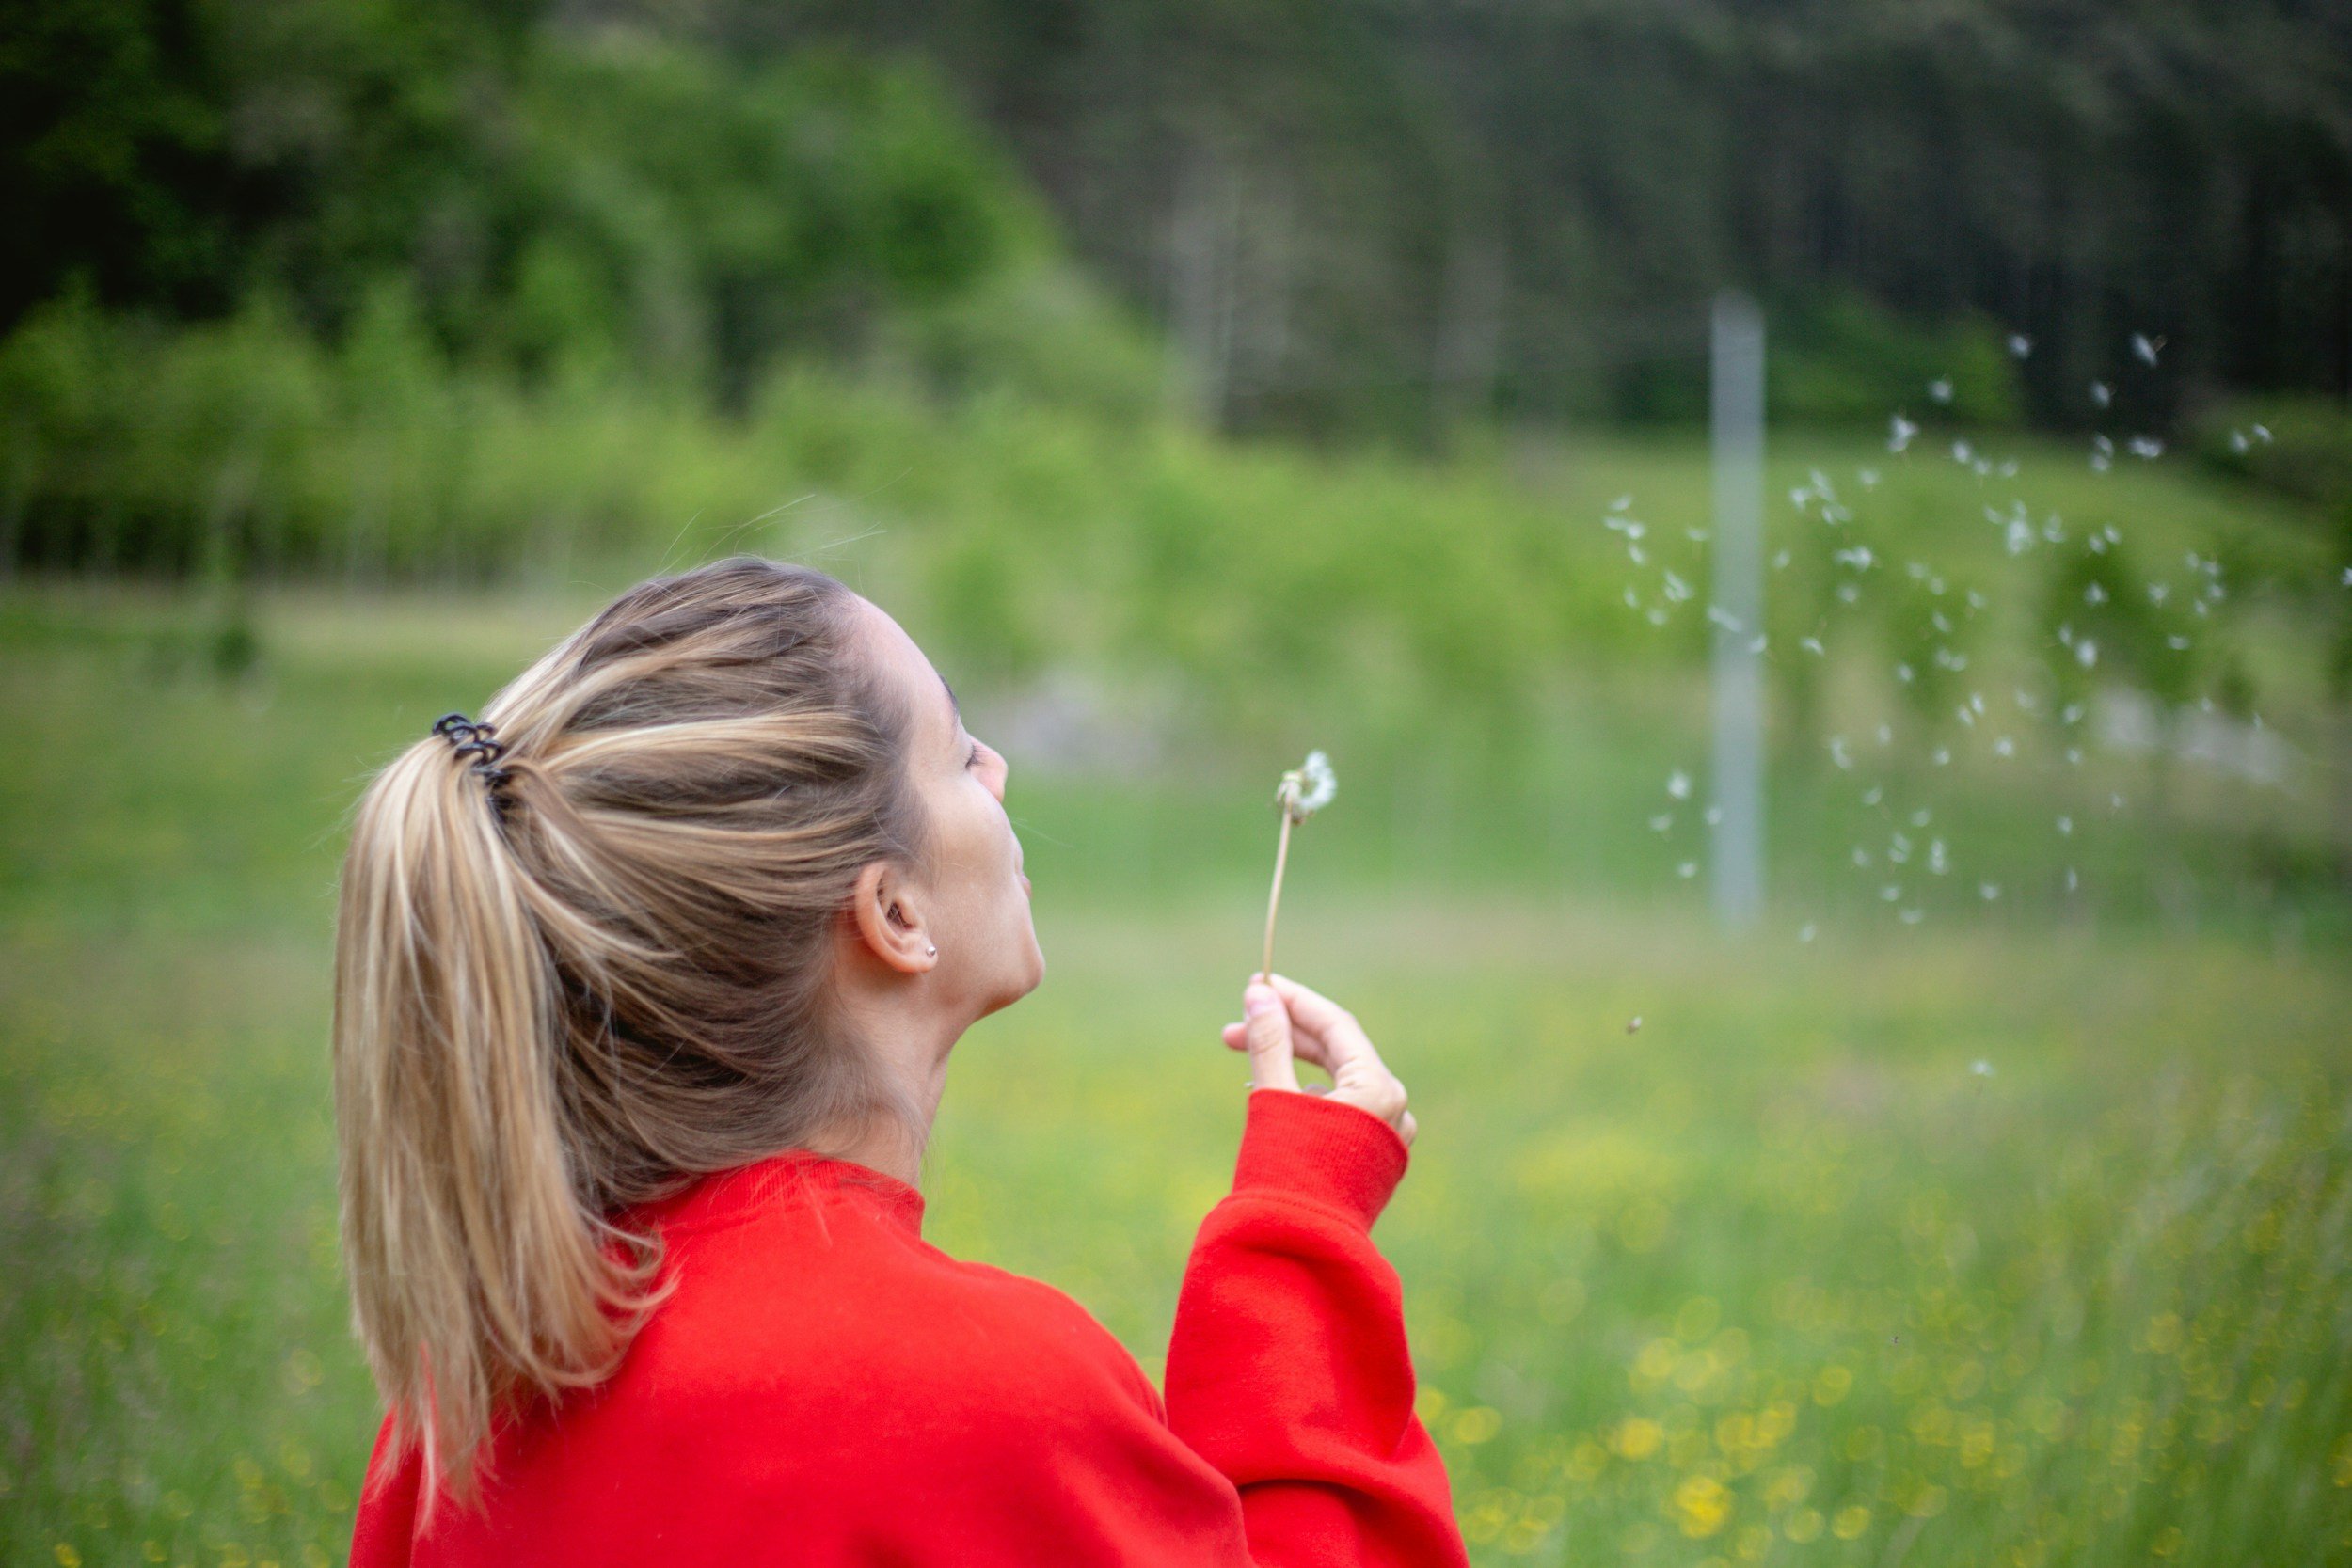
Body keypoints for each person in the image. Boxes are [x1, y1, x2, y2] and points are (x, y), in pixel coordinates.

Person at [333, 555, 1467, 1565]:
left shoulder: (463, 1404)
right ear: (893, 910)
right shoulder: (978, 1396)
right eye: (958, 750)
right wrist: (1299, 1254)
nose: (1002, 768)